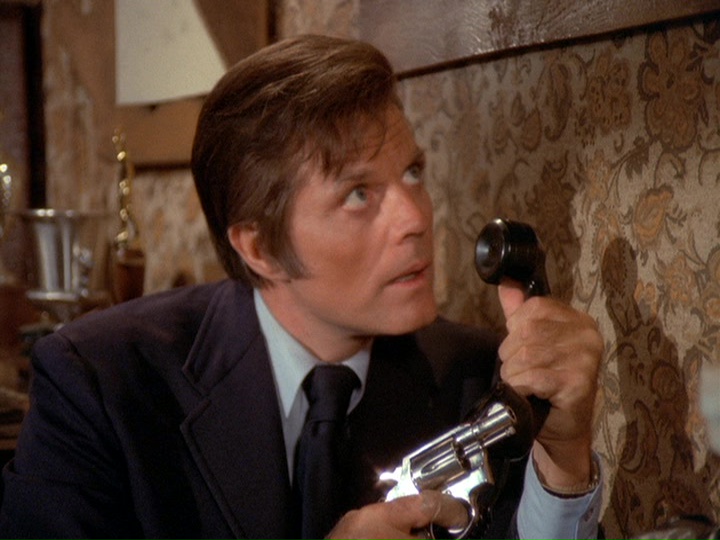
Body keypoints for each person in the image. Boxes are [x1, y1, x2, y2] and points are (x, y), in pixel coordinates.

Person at [0, 34, 603, 540]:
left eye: (412, 172)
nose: (416, 217)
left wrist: (565, 461)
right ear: (259, 248)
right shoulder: (98, 384)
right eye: (359, 194)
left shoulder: (482, 378)